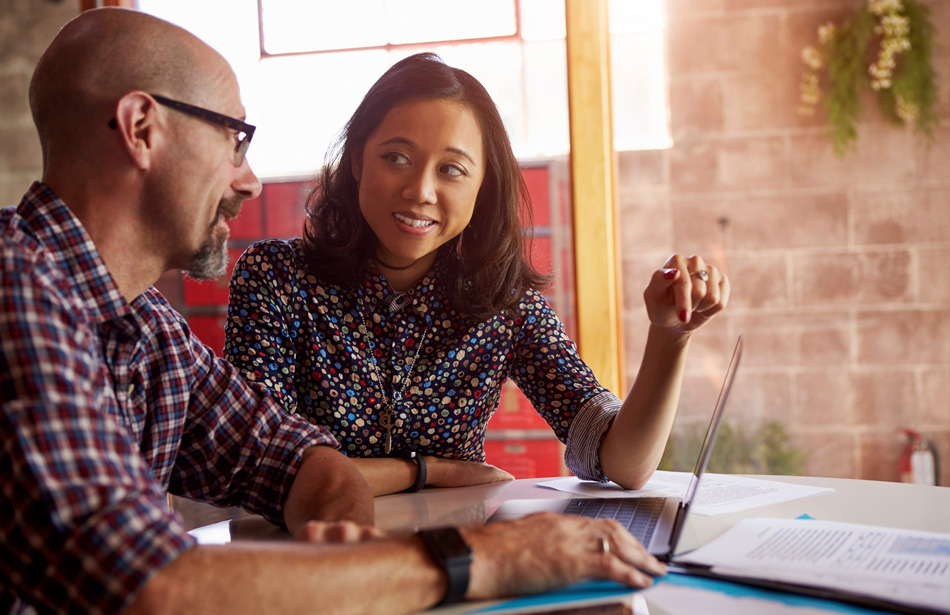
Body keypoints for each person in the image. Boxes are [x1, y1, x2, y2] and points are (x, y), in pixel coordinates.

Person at [0, 8, 668, 615]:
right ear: (143, 129)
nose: (250, 179)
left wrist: (349, 556)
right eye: (234, 140)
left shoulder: (146, 328)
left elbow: (293, 458)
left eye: (454, 169)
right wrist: (489, 556)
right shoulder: (15, 284)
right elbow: (146, 587)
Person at [224, 52, 730, 497]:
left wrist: (670, 336)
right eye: (395, 158)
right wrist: (427, 473)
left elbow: (619, 462)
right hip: (312, 567)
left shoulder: (504, 304)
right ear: (357, 159)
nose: (420, 190)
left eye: (452, 169)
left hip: (458, 565)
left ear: (482, 186)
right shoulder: (275, 278)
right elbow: (265, 467)